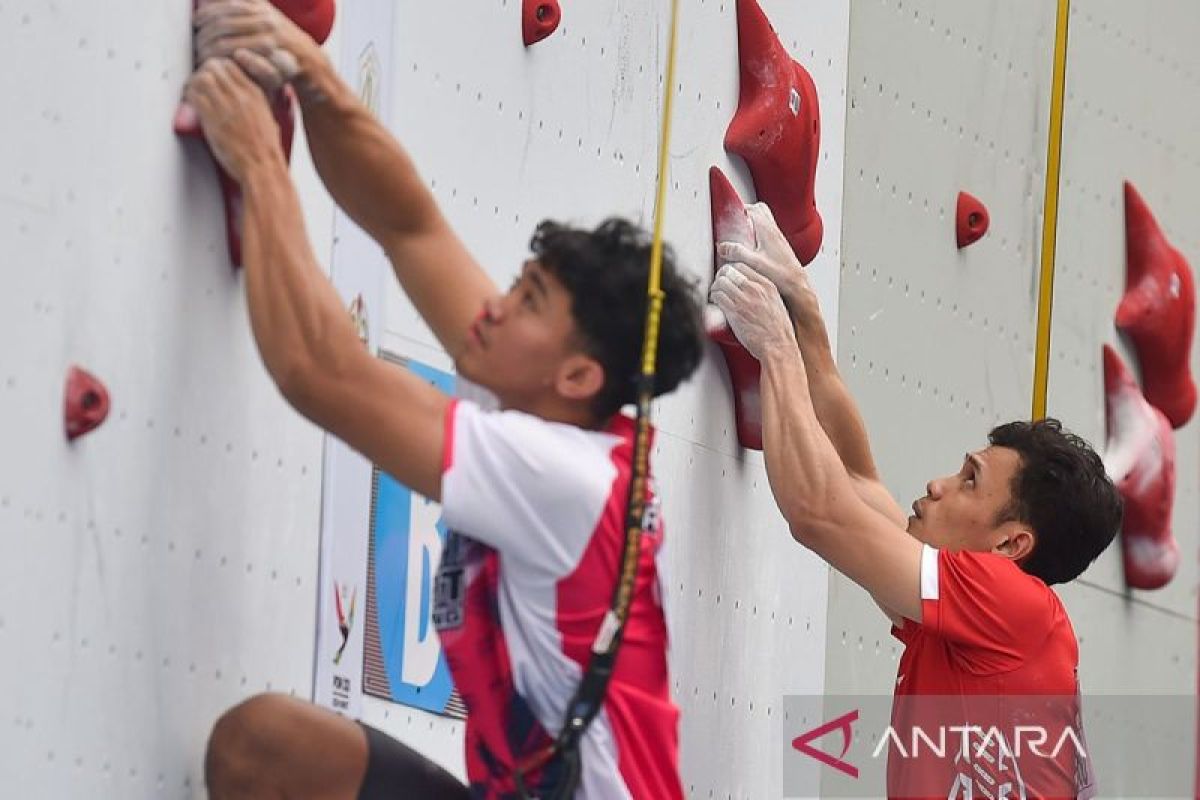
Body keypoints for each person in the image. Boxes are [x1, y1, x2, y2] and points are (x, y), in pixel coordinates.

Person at [182, 2, 704, 798]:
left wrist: (260, 166)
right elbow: (410, 227)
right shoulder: (537, 398)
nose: (493, 307)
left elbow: (317, 371)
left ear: (578, 378)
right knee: (267, 751)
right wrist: (313, 75)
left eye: (527, 301)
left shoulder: (562, 473)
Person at [709, 205, 1121, 799]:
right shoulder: (980, 620)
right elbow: (856, 484)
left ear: (1011, 543)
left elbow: (818, 512)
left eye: (970, 481)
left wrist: (777, 351)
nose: (937, 484)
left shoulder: (1012, 606)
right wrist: (802, 310)